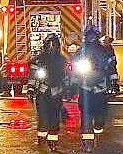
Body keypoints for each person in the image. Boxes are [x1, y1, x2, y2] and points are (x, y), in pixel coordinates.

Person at [71, 25, 111, 153]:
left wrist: (113, 82)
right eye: (89, 36)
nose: (91, 38)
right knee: (86, 115)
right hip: (85, 87)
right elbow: (74, 68)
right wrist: (72, 84)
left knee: (100, 117)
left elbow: (111, 67)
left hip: (101, 87)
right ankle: (87, 142)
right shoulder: (80, 52)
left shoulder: (105, 51)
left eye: (94, 36)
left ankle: (98, 130)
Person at [27, 33, 68, 152]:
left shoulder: (62, 60)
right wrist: (30, 89)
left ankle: (53, 142)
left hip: (56, 94)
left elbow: (66, 76)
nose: (52, 48)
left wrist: (68, 88)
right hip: (42, 94)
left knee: (55, 119)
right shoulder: (38, 60)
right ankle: (41, 139)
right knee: (44, 118)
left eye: (54, 45)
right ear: (45, 46)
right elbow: (33, 76)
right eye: (49, 45)